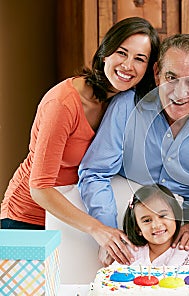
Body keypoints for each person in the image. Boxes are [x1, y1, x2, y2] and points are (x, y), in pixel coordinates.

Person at [0, 17, 160, 266]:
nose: (128, 65)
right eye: (122, 53)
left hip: (75, 219)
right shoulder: (62, 104)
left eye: (139, 58)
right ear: (105, 53)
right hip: (28, 218)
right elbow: (39, 188)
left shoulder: (125, 103)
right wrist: (98, 229)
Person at [78, 34, 189, 266]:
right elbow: (94, 172)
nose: (179, 93)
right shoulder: (126, 108)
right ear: (156, 74)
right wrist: (110, 234)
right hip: (130, 228)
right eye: (171, 78)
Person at [122, 184, 188, 266]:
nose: (156, 225)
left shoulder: (184, 249)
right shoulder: (131, 251)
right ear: (138, 229)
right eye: (147, 220)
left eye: (162, 216)